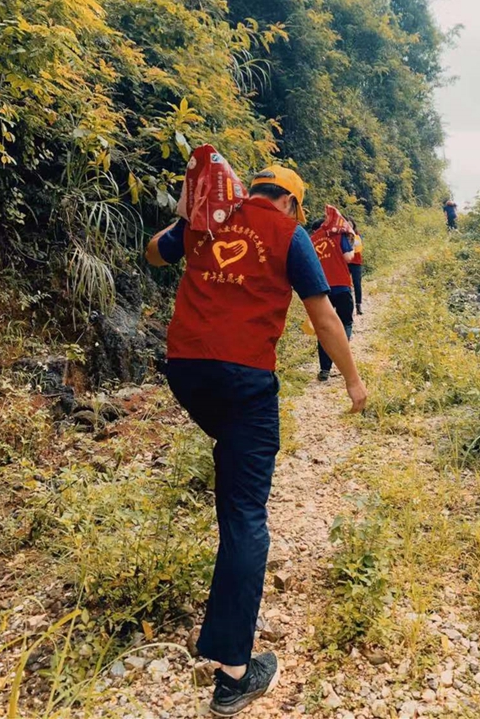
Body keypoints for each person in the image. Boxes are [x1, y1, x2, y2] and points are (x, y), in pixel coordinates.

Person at [145, 166, 367, 717]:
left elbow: (154, 255)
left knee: (234, 459)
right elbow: (324, 317)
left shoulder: (210, 215)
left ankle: (231, 601)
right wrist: (353, 380)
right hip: (243, 377)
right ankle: (234, 674)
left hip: (186, 371)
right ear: (290, 202)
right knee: (245, 513)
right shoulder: (289, 234)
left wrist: (184, 215)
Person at [309, 215, 355, 382]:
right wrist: (351, 246)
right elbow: (348, 257)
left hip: (322, 289)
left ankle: (324, 370)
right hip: (341, 285)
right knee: (346, 322)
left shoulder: (312, 240)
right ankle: (342, 350)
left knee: (324, 327)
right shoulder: (338, 235)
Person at [346, 217, 364, 315]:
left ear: (353, 224)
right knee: (346, 284)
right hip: (346, 262)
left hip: (356, 262)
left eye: (350, 223)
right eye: (347, 224)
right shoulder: (342, 236)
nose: (349, 225)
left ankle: (358, 305)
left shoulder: (357, 235)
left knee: (357, 283)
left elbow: (359, 248)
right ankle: (348, 306)